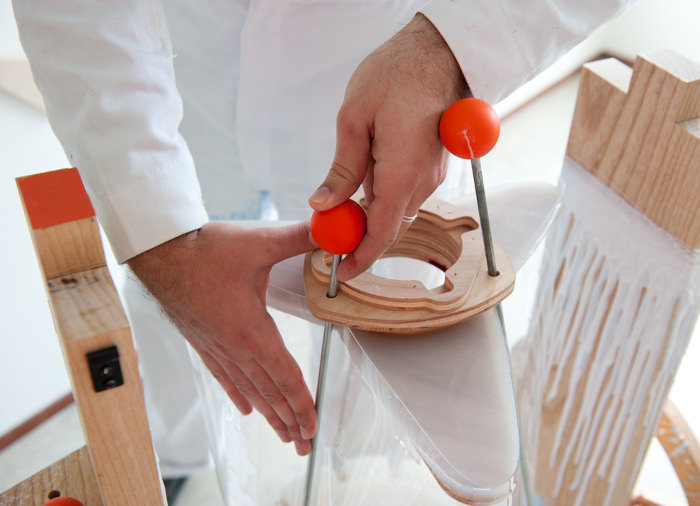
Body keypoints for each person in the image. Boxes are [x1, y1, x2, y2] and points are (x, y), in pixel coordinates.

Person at [13, 0, 632, 481]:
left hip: (378, 81)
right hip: (178, 77)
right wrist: (157, 233)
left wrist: (450, 48)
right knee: (178, 308)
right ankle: (177, 453)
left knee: (381, 328)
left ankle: (352, 466)